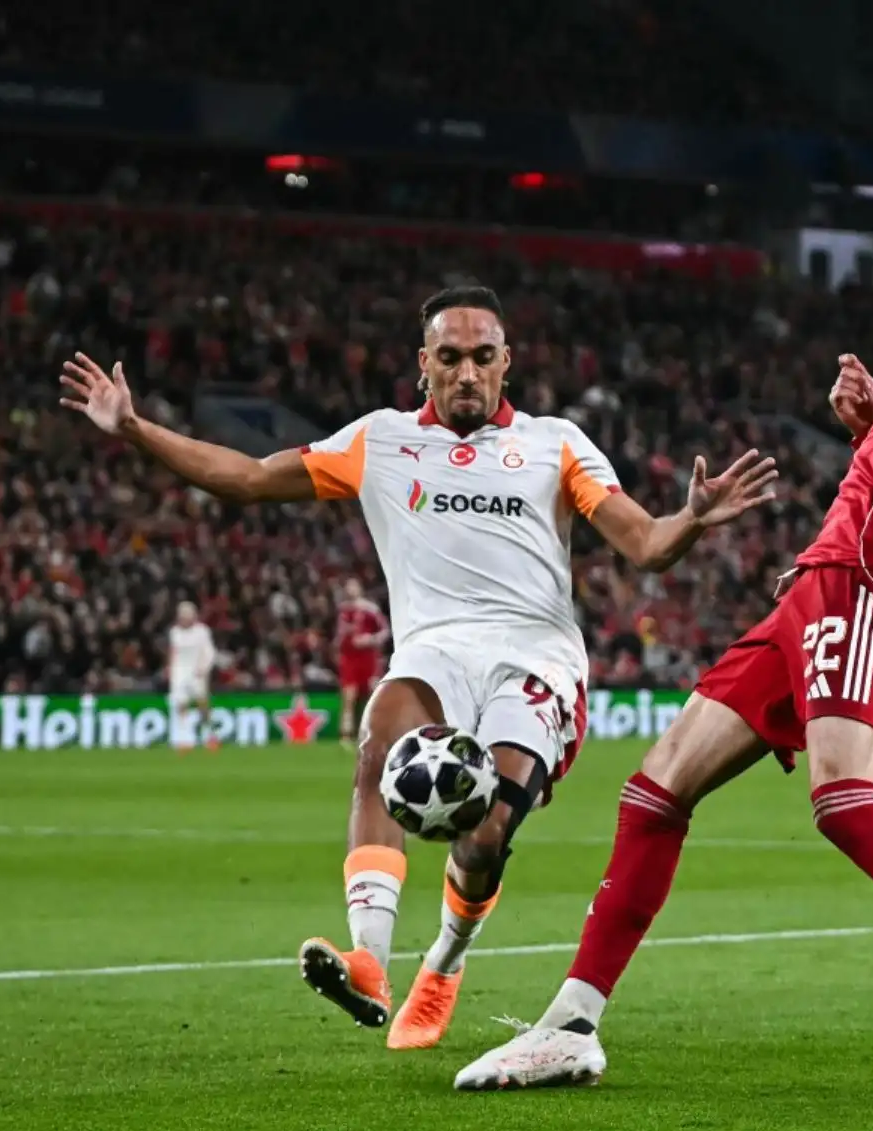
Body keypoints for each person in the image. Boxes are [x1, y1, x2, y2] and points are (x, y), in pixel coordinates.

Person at [455, 156, 873, 1099]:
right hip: (814, 590)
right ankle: (570, 1025)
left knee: (844, 802)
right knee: (654, 793)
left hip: (864, 593)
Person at [59, 284, 777, 1050]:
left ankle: (445, 961)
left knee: (484, 837)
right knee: (380, 738)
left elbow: (645, 545)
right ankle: (369, 958)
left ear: (507, 365)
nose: (466, 372)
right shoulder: (379, 442)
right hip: (433, 651)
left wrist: (693, 519)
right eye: (450, 357)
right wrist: (133, 428)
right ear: (422, 365)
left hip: (534, 656)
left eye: (482, 357)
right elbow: (247, 479)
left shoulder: (555, 443)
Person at [334, 578, 389, 749]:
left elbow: (385, 631)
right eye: (348, 586)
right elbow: (339, 635)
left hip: (369, 659)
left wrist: (370, 640)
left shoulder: (370, 609)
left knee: (371, 696)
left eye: (353, 586)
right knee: (349, 696)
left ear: (360, 588)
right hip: (349, 658)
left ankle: (371, 733)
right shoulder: (343, 611)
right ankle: (345, 736)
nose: (350, 589)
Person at [166, 601, 218, 753]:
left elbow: (210, 652)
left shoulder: (202, 631)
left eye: (186, 616)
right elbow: (173, 652)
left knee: (203, 705)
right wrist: (170, 668)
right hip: (179, 673)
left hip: (197, 672)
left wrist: (204, 668)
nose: (183, 619)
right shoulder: (174, 632)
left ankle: (210, 735)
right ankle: (184, 739)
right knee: (181, 705)